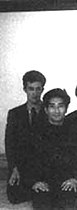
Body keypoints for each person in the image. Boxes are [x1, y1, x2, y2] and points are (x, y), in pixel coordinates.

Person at [29, 88, 77, 209]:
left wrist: (74, 178)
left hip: (66, 182)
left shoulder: (74, 131)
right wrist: (35, 182)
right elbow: (28, 159)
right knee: (43, 204)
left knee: (68, 204)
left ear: (66, 109)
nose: (56, 111)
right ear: (46, 110)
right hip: (43, 182)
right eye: (52, 106)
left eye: (60, 106)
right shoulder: (36, 131)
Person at [4, 70, 46, 204]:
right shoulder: (15, 114)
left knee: (46, 192)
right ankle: (32, 187)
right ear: (25, 89)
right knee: (14, 196)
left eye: (38, 89)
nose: (34, 93)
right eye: (31, 89)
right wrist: (14, 168)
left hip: (43, 164)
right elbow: (10, 143)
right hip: (23, 165)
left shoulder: (48, 111)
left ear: (42, 90)